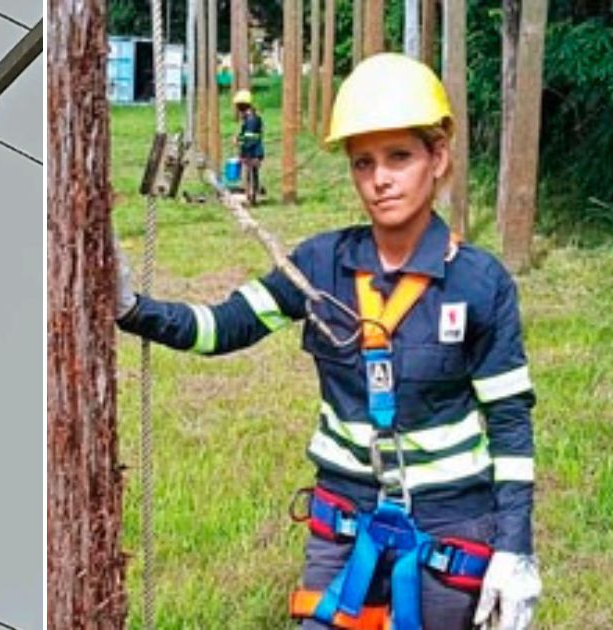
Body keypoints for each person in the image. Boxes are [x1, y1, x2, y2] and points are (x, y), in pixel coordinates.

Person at [115, 53, 541, 629]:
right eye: (363, 162)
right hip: (344, 521)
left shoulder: (479, 283)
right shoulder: (322, 264)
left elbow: (510, 424)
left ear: (438, 156)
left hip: (450, 527)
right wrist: (134, 309)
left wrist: (515, 550)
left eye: (399, 157)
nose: (380, 179)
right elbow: (225, 325)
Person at [233, 89, 265, 204]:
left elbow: (250, 138)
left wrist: (239, 140)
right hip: (252, 150)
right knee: (251, 173)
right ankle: (251, 195)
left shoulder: (251, 119)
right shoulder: (250, 117)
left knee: (252, 174)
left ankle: (252, 195)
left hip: (252, 151)